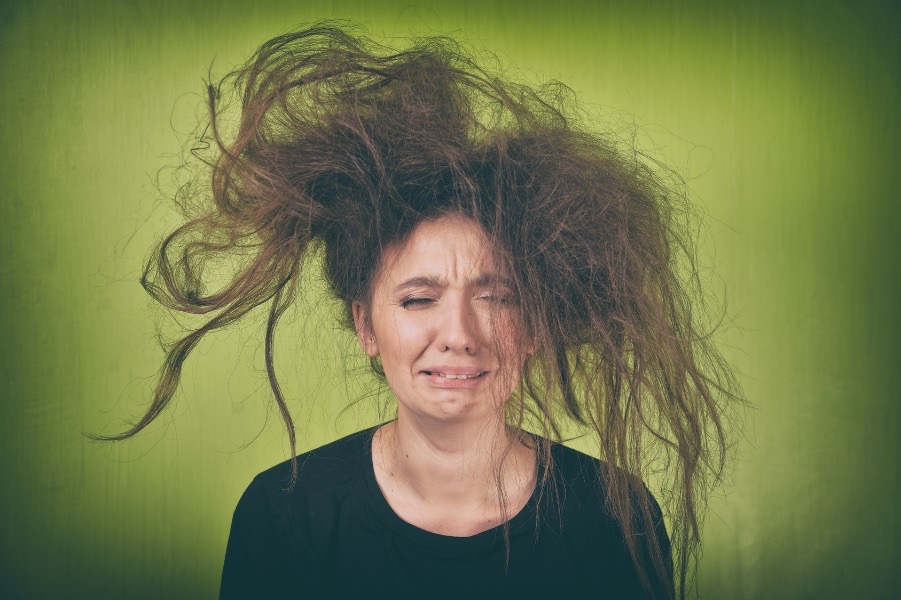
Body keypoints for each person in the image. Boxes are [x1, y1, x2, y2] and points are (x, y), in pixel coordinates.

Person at [100, 22, 740, 599]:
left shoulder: (613, 515)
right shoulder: (285, 513)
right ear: (364, 326)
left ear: (538, 326)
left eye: (497, 298)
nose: (458, 335)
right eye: (417, 299)